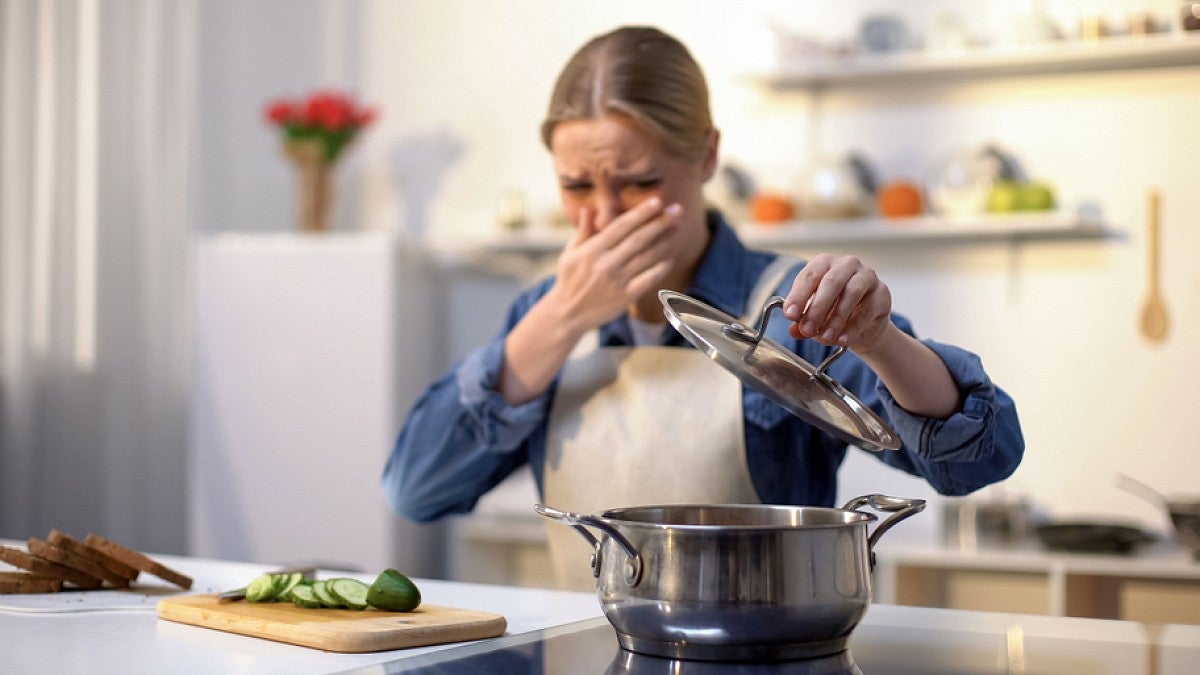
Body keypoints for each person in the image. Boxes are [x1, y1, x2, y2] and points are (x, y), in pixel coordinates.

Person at [382, 26, 1024, 589]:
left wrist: (881, 339)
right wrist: (560, 318)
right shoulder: (542, 312)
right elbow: (416, 491)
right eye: (577, 185)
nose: (604, 217)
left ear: (707, 155)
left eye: (639, 182)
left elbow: (977, 462)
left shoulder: (787, 305)